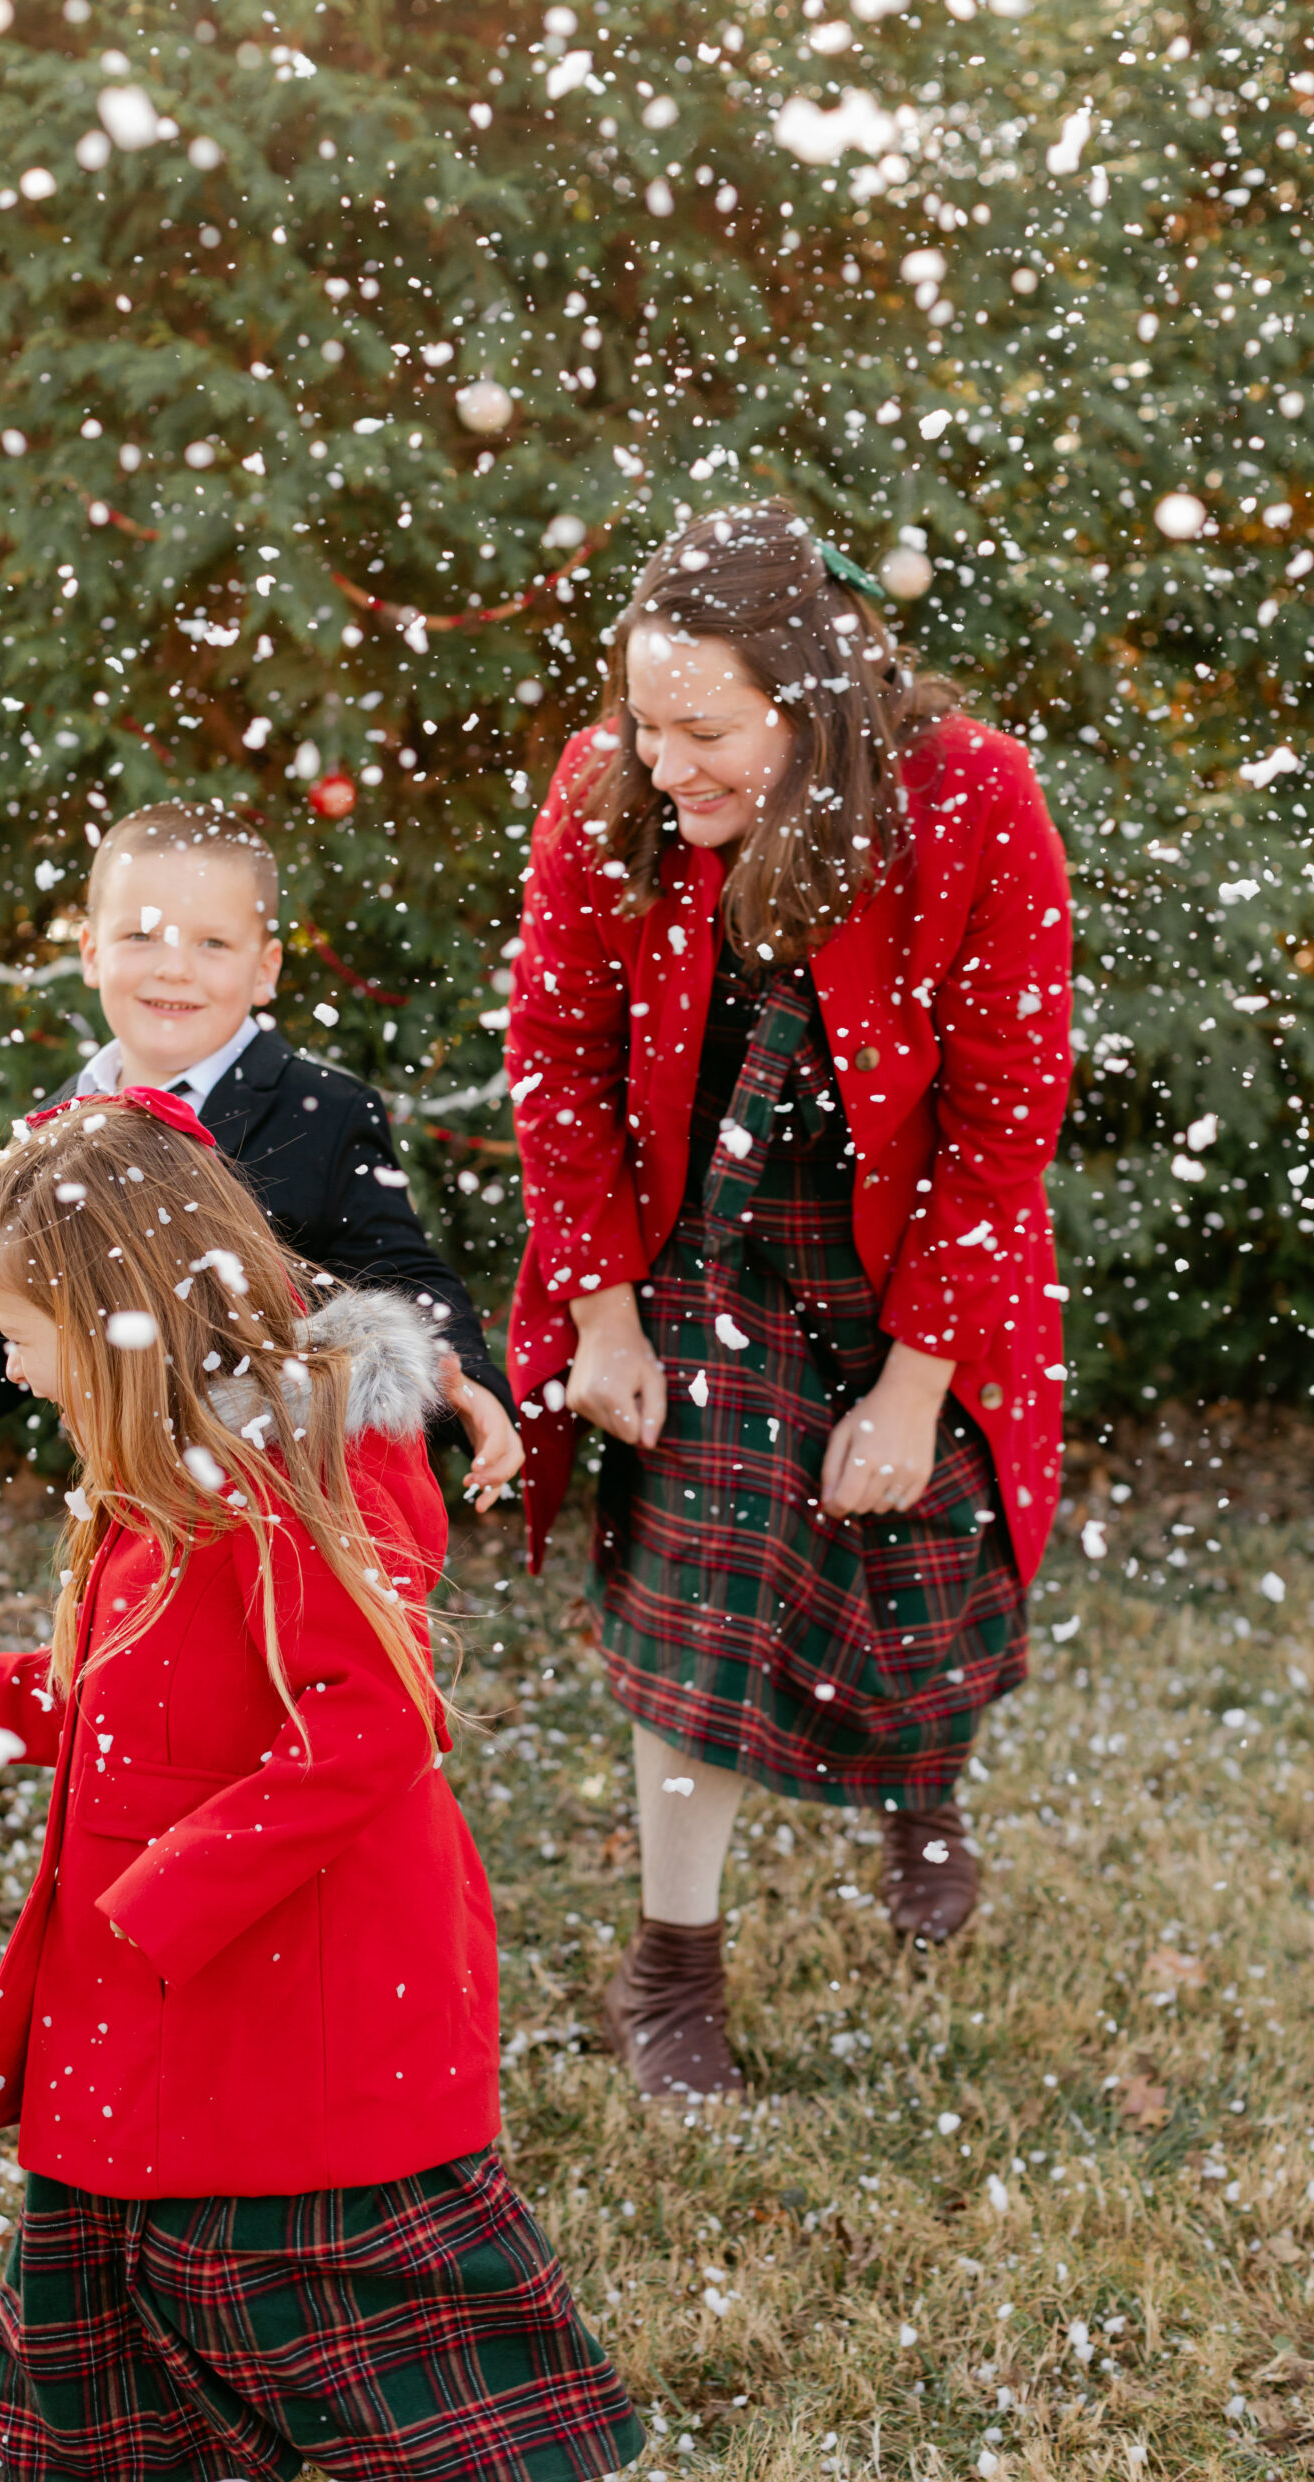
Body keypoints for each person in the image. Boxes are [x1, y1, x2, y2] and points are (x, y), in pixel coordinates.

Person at [0, 1089, 640, 2482]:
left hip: (304, 1964)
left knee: (304, 2258)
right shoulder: (158, 1478)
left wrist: (172, 1889)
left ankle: (493, 2478)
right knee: (148, 2250)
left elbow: (372, 1723)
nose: (6, 1367)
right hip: (166, 1978)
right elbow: (136, 1697)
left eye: (22, 1332)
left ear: (123, 1315)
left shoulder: (298, 1481)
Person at [505, 501, 1074, 2104]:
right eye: (640, 717)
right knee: (702, 1595)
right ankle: (669, 1962)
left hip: (906, 1258)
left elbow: (1002, 1103)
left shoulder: (965, 792)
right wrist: (603, 1309)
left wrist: (910, 1388)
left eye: (703, 729)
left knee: (920, 1576)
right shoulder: (603, 792)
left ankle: (919, 1791)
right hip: (694, 1244)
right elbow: (554, 1057)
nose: (660, 760)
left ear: (805, 703)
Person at [0, 802, 519, 1532]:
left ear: (265, 971)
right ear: (91, 953)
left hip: (283, 1494)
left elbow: (401, 1271)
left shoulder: (318, 1111)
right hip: (137, 1488)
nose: (174, 968)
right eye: (141, 935)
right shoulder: (61, 1125)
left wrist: (471, 1388)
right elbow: (22, 1320)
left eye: (212, 945)